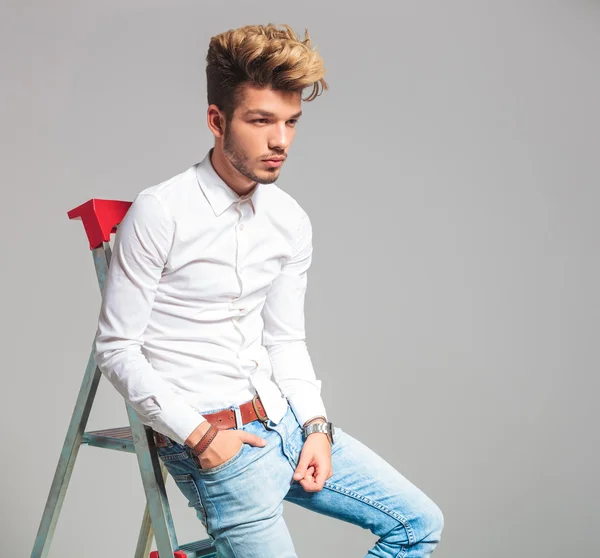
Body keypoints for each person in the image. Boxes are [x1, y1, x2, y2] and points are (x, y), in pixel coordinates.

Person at [94, 23, 444, 558]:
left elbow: (285, 341)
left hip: (286, 422)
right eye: (261, 121)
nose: (280, 141)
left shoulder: (289, 220)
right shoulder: (161, 212)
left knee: (419, 524)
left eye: (290, 123)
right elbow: (117, 351)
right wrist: (204, 440)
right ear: (217, 121)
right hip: (216, 441)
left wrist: (317, 428)